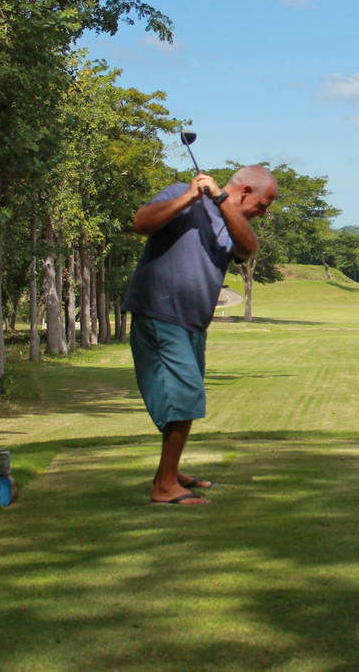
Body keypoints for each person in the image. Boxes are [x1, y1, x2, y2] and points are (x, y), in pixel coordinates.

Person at [123, 165, 277, 505]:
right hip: (161, 313)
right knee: (185, 397)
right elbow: (141, 223)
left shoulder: (231, 221)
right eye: (263, 205)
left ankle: (169, 470)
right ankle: (164, 486)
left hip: (192, 323)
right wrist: (190, 196)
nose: (262, 214)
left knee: (181, 398)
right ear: (247, 190)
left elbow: (248, 248)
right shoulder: (181, 192)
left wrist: (221, 199)